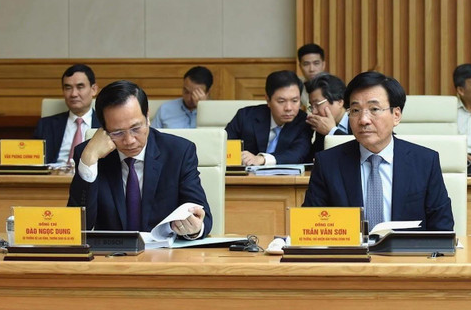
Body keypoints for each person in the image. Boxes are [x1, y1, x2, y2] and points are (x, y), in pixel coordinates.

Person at [303, 71, 454, 231]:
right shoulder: (328, 164)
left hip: (408, 255)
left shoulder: (425, 162)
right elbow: (311, 227)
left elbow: (442, 228)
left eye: (374, 109)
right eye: (355, 110)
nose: (363, 120)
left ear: (396, 115)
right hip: (351, 255)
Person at [67, 80, 212, 238]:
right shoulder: (89, 153)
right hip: (111, 255)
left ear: (147, 117)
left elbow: (203, 216)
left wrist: (194, 229)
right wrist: (89, 160)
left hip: (164, 256)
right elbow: (77, 226)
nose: (129, 140)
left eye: (136, 128)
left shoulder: (178, 152)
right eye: (117, 132)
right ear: (104, 129)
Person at [225, 70, 313, 165]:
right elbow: (224, 147)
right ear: (268, 100)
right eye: (281, 101)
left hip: (286, 178)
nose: (288, 108)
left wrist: (261, 159)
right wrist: (240, 157)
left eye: (294, 101)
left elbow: (297, 154)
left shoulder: (304, 122)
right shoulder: (245, 116)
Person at [33, 64, 100, 164]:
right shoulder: (45, 125)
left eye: (80, 87)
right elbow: (34, 161)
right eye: (68, 88)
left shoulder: (106, 125)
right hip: (53, 177)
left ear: (93, 90)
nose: (73, 94)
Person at [306, 73, 351, 157]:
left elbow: (360, 148)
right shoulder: (322, 126)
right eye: (311, 106)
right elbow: (314, 158)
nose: (314, 112)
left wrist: (332, 131)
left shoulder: (357, 120)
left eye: (317, 104)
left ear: (339, 102)